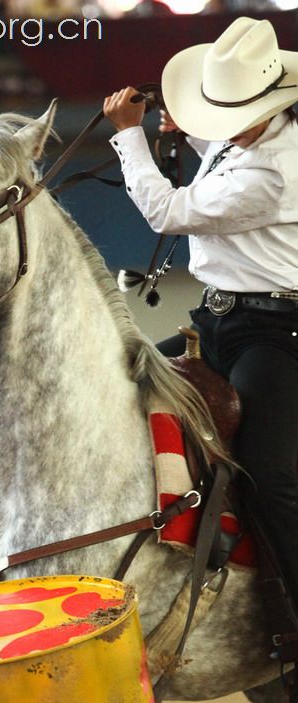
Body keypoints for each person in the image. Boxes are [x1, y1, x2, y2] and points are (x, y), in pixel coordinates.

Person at [103, 17, 298, 623]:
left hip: (274, 335)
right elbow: (223, 153)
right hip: (217, 324)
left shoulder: (274, 172)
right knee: (122, 386)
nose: (221, 128)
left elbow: (165, 211)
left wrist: (130, 137)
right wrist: (189, 135)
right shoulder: (255, 138)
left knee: (272, 473)